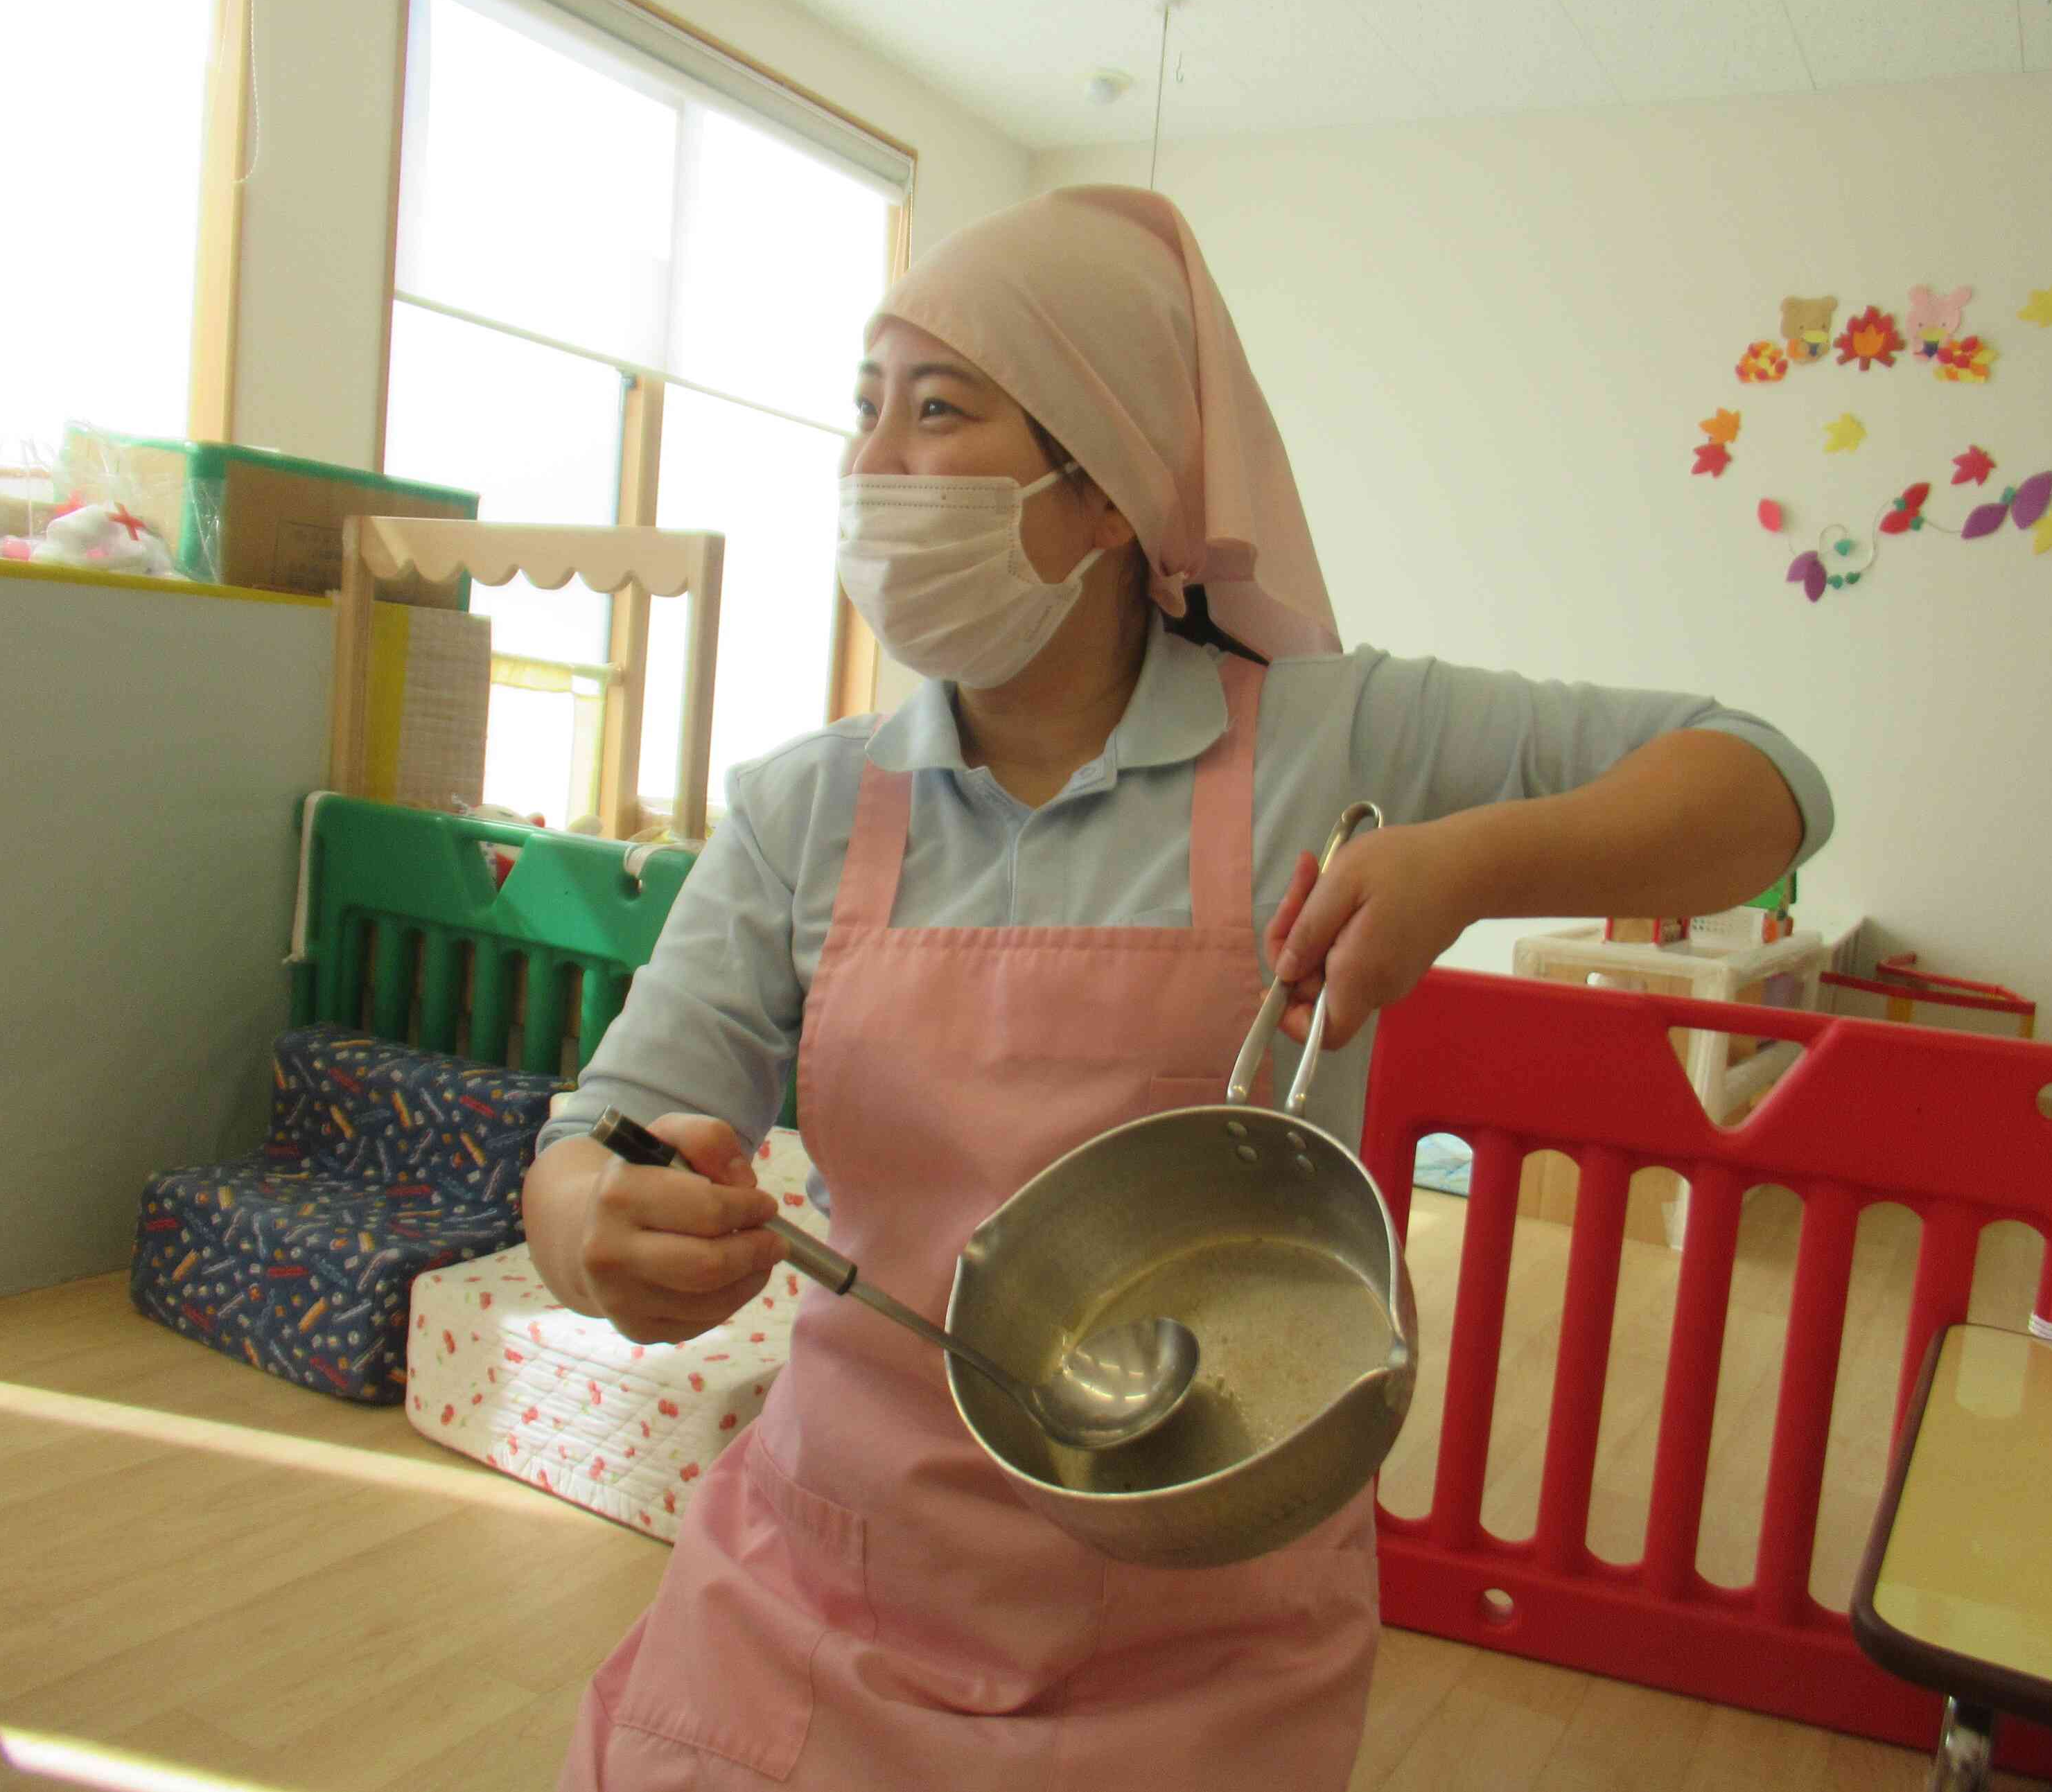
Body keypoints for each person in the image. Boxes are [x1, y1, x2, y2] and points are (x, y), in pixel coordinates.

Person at [523, 185, 1832, 1791]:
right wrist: (594, 1220)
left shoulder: (1332, 739)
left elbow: (1765, 783)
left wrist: (1470, 863)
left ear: (1105, 493)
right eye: (861, 412)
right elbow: (603, 1131)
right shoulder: (809, 805)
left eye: (939, 413)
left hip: (1203, 1616)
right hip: (829, 1585)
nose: (874, 465)